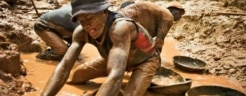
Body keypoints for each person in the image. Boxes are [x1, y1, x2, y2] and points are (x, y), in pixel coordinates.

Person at [28, 0, 161, 96]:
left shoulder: (120, 28)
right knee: (76, 76)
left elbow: (115, 77)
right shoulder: (81, 32)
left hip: (145, 61)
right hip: (115, 58)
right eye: (81, 20)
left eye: (89, 18)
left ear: (104, 11)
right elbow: (64, 66)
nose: (86, 25)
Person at [35, 1, 184, 60]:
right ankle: (48, 54)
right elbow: (159, 43)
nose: (179, 17)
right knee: (64, 52)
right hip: (44, 25)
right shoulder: (168, 17)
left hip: (63, 26)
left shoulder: (89, 16)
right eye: (179, 14)